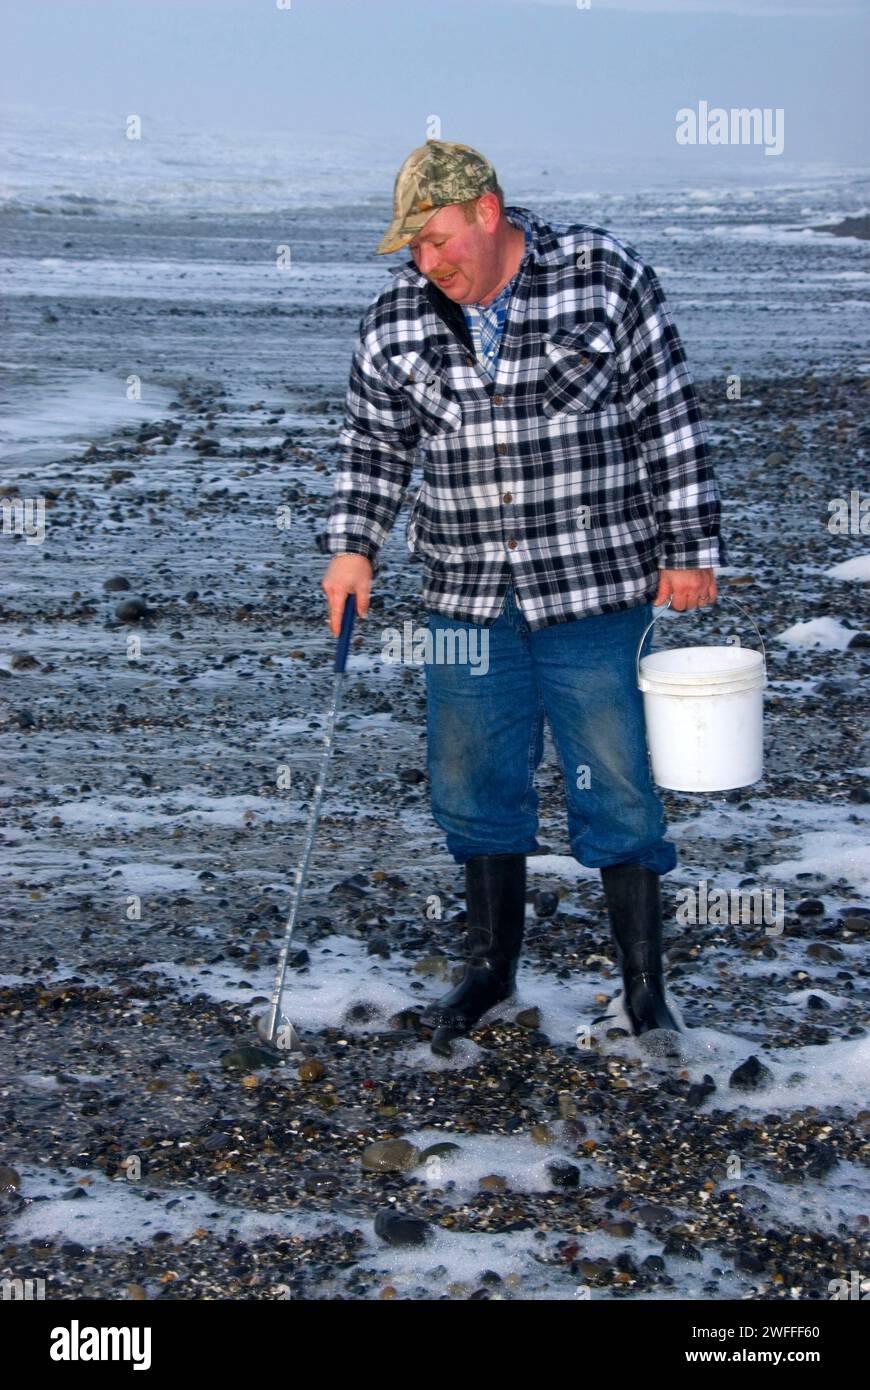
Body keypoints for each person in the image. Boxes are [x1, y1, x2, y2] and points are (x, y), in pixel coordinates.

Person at [317, 138, 726, 1056]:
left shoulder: (603, 276)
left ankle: (643, 993)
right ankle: (491, 974)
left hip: (593, 589)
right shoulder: (394, 324)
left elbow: (667, 415)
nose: (429, 262)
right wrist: (352, 551)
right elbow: (372, 452)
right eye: (414, 249)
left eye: (438, 239)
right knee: (473, 783)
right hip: (464, 596)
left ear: (489, 212)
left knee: (618, 784)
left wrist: (690, 548)